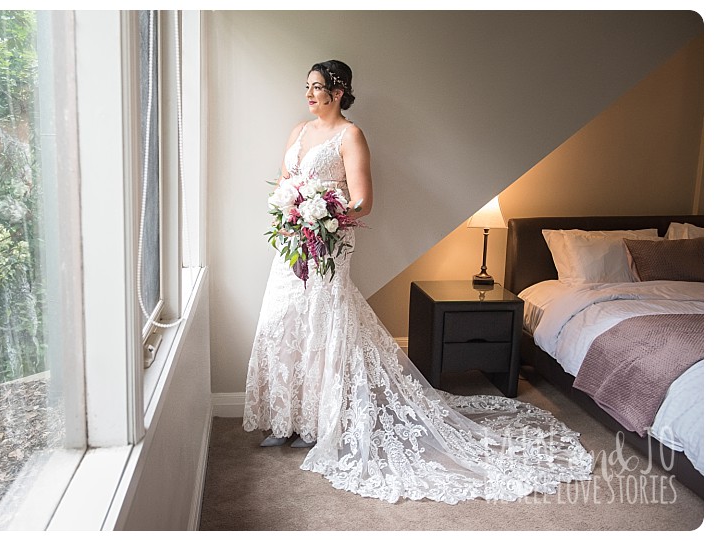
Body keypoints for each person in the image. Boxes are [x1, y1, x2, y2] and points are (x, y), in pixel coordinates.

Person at [243, 60, 593, 504]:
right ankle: (286, 419)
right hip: (293, 246)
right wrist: (291, 209)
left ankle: (318, 423)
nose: (309, 94)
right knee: (286, 323)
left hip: (329, 242)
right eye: (307, 86)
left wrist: (325, 218)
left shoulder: (350, 135)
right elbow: (287, 183)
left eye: (317, 87)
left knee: (323, 325)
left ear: (339, 91)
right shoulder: (298, 131)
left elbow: (364, 201)